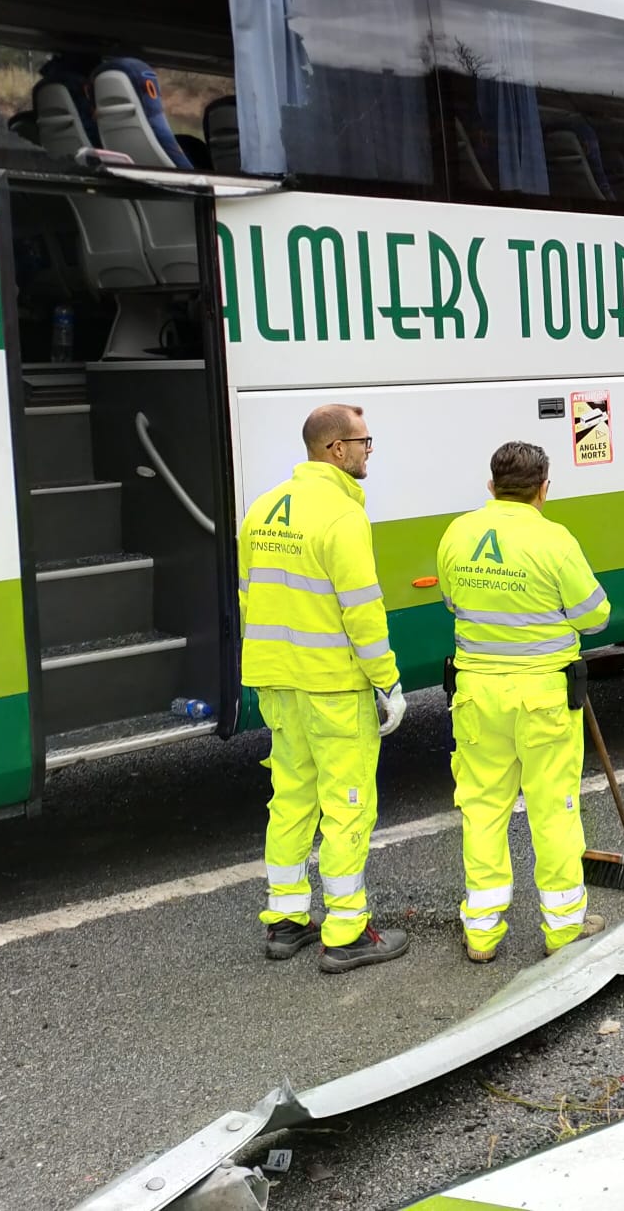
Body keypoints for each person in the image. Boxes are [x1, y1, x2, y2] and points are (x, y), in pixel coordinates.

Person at [239, 403, 409, 974]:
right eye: (364, 442)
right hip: (333, 685)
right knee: (347, 805)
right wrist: (387, 680)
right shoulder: (341, 516)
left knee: (289, 798)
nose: (367, 452)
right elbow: (362, 611)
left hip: (275, 680)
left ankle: (286, 920)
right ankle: (346, 929)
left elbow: (249, 594)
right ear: (336, 449)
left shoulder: (262, 509)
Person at [435, 441, 612, 963]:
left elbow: (451, 599)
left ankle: (483, 933)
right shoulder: (553, 539)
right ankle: (562, 929)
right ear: (543, 488)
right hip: (541, 697)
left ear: (491, 485)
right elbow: (594, 616)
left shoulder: (457, 533)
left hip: (475, 695)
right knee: (553, 809)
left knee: (483, 809)